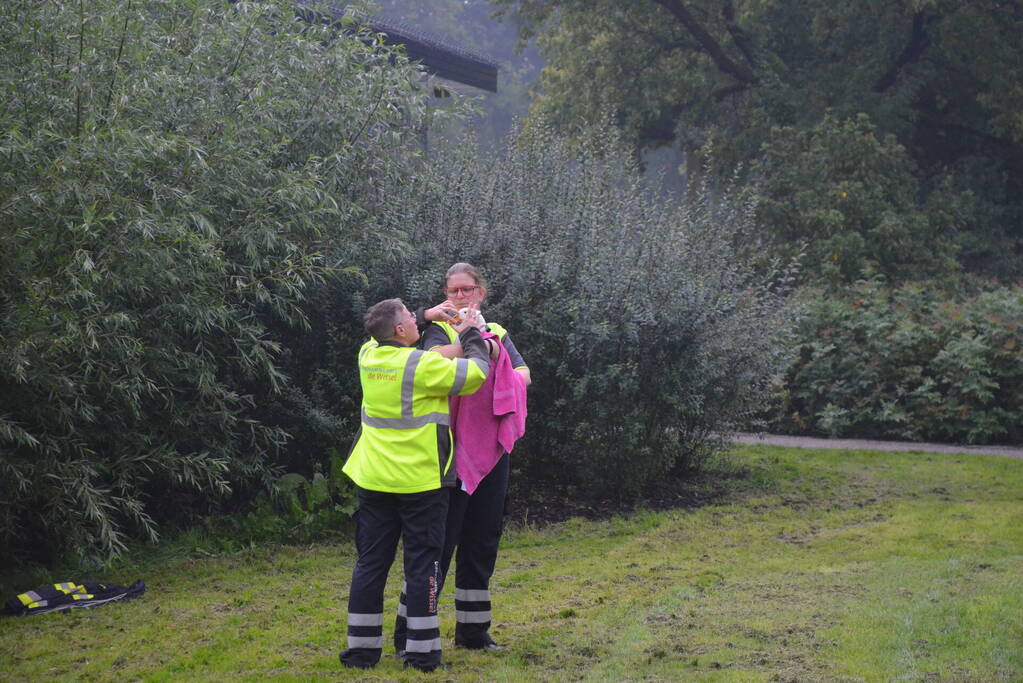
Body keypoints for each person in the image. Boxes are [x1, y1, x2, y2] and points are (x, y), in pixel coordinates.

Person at [338, 298, 491, 673]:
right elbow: (476, 373)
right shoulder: (421, 365)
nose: (416, 319)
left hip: (373, 479)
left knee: (370, 563)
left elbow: (386, 331)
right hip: (420, 482)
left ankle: (360, 653)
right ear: (400, 331)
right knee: (423, 566)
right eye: (410, 317)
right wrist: (472, 332)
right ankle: (421, 654)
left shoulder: (367, 356)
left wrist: (429, 315)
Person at [395, 263, 530, 653]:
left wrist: (485, 356)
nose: (460, 298)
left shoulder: (498, 332)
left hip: (493, 451)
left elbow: (524, 374)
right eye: (453, 291)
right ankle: (411, 635)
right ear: (445, 293)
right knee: (439, 546)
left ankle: (474, 634)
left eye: (467, 290)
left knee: (482, 540)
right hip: (448, 451)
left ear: (481, 293)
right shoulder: (434, 329)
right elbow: (432, 364)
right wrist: (478, 350)